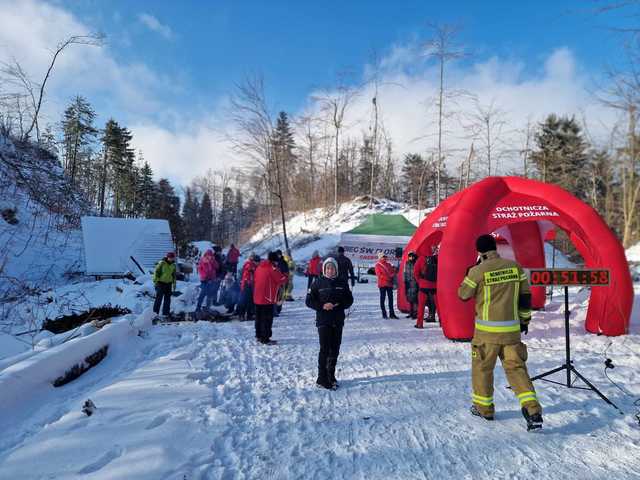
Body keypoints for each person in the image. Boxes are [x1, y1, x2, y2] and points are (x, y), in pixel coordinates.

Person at [458, 234, 543, 431]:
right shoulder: (515, 267)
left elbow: (463, 295)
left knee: (482, 370)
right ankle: (532, 411)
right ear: (495, 247)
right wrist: (524, 320)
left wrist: (469, 274)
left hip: (486, 335)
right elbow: (525, 298)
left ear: (479, 251)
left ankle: (484, 409)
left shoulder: (477, 271)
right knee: (517, 370)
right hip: (511, 333)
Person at [306, 257, 354, 390]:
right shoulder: (317, 282)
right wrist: (322, 306)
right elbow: (309, 301)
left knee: (335, 349)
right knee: (324, 349)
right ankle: (322, 378)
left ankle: (331, 376)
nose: (330, 270)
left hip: (337, 319)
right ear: (324, 269)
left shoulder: (342, 282)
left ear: (336, 269)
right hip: (323, 320)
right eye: (327, 268)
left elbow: (349, 300)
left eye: (332, 268)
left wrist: (339, 305)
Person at [253, 251, 288, 344]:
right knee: (267, 319)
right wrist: (286, 275)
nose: (277, 263)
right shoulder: (272, 269)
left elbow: (255, 278)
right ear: (274, 261)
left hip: (257, 297)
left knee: (259, 317)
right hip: (267, 298)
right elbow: (281, 279)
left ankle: (258, 335)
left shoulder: (259, 267)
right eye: (276, 261)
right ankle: (265, 338)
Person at [413, 247, 438, 329]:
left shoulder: (421, 259)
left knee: (421, 306)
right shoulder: (436, 258)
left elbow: (416, 272)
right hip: (434, 286)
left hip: (424, 285)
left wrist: (420, 281)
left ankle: (419, 324)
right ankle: (442, 322)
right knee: (438, 305)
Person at [152, 252, 177, 318]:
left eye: (173, 257)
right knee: (158, 299)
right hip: (161, 283)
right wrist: (156, 282)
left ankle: (165, 313)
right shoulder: (162, 263)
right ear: (167, 257)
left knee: (167, 299)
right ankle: (155, 314)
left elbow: (174, 276)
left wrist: (174, 285)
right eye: (170, 257)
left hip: (169, 284)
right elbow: (156, 272)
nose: (172, 259)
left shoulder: (173, 265)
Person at [375, 252, 398, 319]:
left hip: (389, 284)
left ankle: (392, 314)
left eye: (385, 256)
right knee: (383, 299)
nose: (385, 258)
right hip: (382, 284)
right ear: (380, 257)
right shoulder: (377, 265)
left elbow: (392, 272)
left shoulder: (389, 264)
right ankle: (384, 314)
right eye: (383, 257)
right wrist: (389, 277)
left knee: (391, 299)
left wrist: (394, 273)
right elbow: (379, 275)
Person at [236, 254, 259, 321]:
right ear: (254, 261)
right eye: (257, 262)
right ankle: (241, 315)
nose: (258, 263)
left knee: (251, 301)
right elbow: (246, 274)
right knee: (244, 301)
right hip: (246, 285)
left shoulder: (255, 266)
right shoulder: (249, 265)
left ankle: (250, 315)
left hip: (252, 286)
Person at [403, 251, 419, 319]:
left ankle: (415, 313)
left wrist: (416, 280)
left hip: (414, 282)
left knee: (415, 298)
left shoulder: (416, 263)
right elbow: (405, 272)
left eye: (412, 256)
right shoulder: (406, 263)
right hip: (408, 282)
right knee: (409, 298)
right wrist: (404, 280)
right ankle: (411, 312)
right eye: (410, 256)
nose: (411, 257)